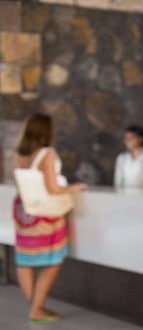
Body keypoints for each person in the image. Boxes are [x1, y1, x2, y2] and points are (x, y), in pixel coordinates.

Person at [13, 113, 87, 323]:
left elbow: (21, 185)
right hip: (45, 214)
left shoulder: (19, 154)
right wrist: (74, 187)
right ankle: (37, 310)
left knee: (24, 261)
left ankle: (36, 307)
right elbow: (53, 189)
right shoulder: (47, 153)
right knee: (53, 260)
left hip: (23, 210)